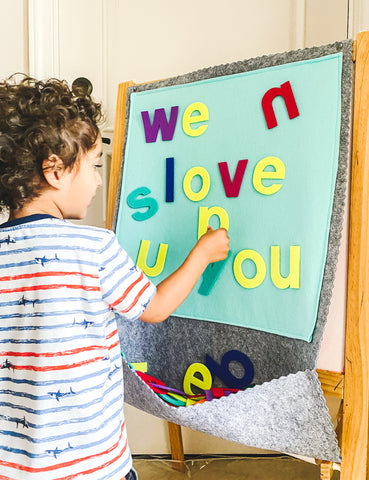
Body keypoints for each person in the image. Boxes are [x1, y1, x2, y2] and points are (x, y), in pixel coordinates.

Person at [0, 75, 229, 480]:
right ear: (55, 170)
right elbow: (154, 307)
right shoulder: (94, 248)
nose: (100, 180)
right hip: (95, 466)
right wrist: (202, 254)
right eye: (93, 165)